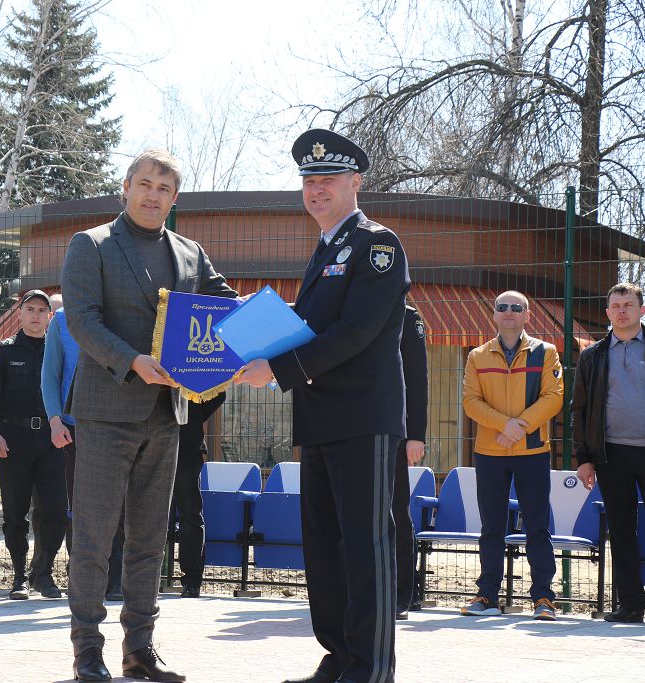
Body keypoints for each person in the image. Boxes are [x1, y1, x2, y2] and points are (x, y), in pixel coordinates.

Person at [236, 129, 408, 683]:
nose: (316, 190)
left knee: (365, 545)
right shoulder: (326, 250)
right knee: (327, 548)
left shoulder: (377, 245)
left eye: (328, 180)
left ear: (356, 182)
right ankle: (339, 655)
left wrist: (278, 369)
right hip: (321, 420)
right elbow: (309, 326)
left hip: (363, 419)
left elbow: (356, 331)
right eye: (309, 182)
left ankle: (372, 666)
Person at [61, 148, 236, 683]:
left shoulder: (189, 251)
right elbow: (83, 321)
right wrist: (133, 361)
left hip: (168, 414)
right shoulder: (90, 245)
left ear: (174, 198)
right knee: (93, 537)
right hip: (106, 411)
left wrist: (266, 323)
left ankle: (140, 650)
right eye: (144, 184)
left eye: (163, 188)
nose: (152, 194)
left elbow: (223, 303)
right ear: (126, 187)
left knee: (149, 539)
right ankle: (87, 653)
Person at [460, 290, 562, 621]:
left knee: (537, 525)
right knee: (491, 526)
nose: (508, 312)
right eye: (501, 307)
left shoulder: (546, 353)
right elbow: (470, 402)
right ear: (493, 314)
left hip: (532, 451)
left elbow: (554, 397)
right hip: (490, 452)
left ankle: (543, 598)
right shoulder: (477, 355)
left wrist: (520, 426)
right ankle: (487, 595)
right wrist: (505, 424)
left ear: (527, 315)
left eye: (516, 308)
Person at [0, 289, 68, 601]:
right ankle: (18, 576)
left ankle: (42, 573)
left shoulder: (60, 350)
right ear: (19, 314)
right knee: (15, 513)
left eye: (41, 311)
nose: (35, 316)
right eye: (29, 309)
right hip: (13, 441)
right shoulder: (2, 352)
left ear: (49, 316)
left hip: (52, 439)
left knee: (56, 510)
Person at [41, 295, 125, 602]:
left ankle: (117, 579)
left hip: (121, 423)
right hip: (76, 425)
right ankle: (83, 580)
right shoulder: (62, 320)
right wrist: (54, 419)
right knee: (81, 507)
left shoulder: (125, 310)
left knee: (121, 504)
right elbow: (50, 374)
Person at [573, 282, 645, 623]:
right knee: (621, 530)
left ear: (641, 310)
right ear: (607, 313)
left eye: (628, 304)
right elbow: (581, 410)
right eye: (615, 305)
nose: (622, 310)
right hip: (611, 454)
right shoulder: (593, 355)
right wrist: (584, 459)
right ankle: (631, 604)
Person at [170, 393, 225, 598]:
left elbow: (218, 392)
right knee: (146, 516)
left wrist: (191, 413)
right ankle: (141, 578)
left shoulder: (191, 362)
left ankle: (191, 579)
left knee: (190, 514)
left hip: (187, 444)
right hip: (149, 443)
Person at [393, 305, 428, 619]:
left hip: (395, 432)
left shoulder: (407, 316)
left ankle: (404, 593)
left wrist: (416, 434)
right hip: (355, 431)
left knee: (395, 512)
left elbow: (418, 379)